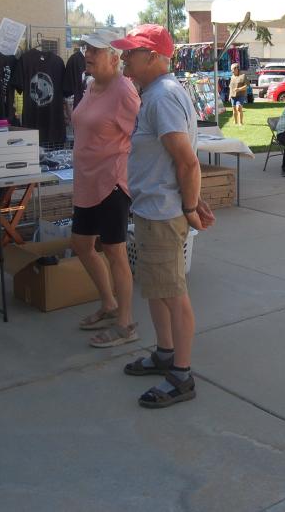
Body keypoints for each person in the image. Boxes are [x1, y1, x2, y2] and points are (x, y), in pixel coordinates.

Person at [111, 24, 215, 409]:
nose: (124, 58)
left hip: (164, 212)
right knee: (156, 288)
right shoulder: (154, 94)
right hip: (152, 209)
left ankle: (182, 375)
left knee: (172, 294)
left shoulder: (162, 98)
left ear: (153, 57)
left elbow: (186, 161)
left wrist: (189, 206)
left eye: (131, 52)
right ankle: (165, 354)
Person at [71, 31, 141, 348]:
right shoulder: (91, 86)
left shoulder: (124, 90)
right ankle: (109, 304)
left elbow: (142, 135)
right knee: (82, 245)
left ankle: (125, 324)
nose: (87, 53)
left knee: (114, 251)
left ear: (114, 57)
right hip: (86, 180)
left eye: (95, 49)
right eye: (86, 47)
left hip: (112, 181)